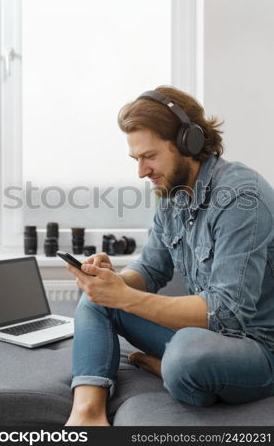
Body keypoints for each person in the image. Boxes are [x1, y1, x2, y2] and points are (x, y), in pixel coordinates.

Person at [65, 86, 274, 426]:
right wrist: (114, 283)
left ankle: (173, 369)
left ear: (188, 142)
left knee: (187, 356)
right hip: (207, 338)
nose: (142, 172)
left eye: (149, 156)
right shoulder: (172, 194)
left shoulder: (241, 197)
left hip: (258, 347)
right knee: (97, 298)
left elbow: (226, 315)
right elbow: (150, 268)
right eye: (136, 160)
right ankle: (87, 412)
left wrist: (126, 297)